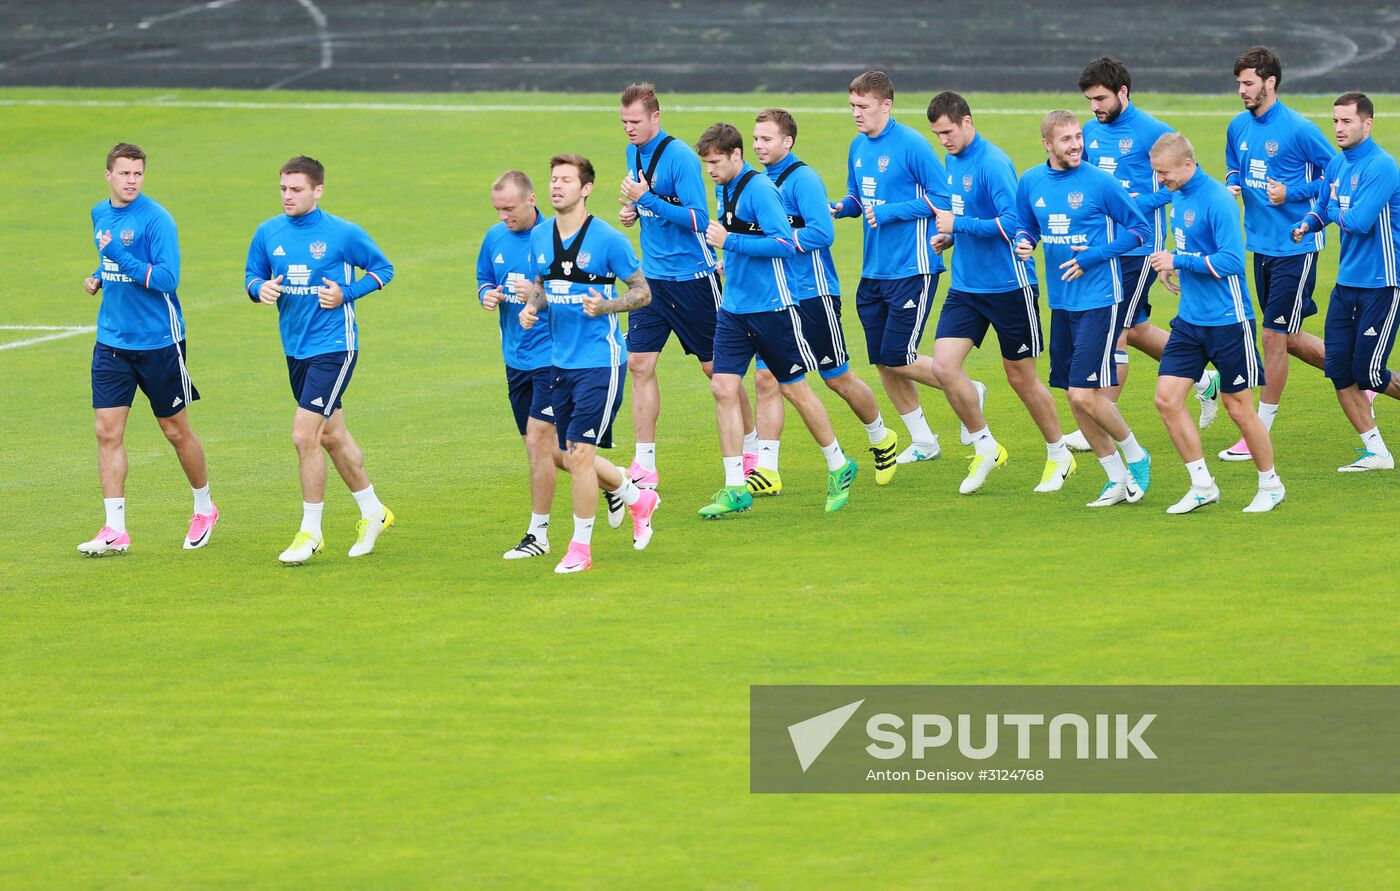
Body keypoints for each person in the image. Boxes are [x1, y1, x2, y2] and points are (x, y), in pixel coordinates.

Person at [695, 123, 859, 517]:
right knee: (723, 388)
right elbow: (735, 233)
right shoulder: (725, 187)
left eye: (715, 163)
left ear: (736, 156)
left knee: (796, 391)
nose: (710, 171)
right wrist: (727, 257)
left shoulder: (761, 190)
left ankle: (839, 464)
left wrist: (729, 243)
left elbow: (785, 243)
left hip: (774, 310)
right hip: (734, 310)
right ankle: (736, 486)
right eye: (706, 164)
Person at [244, 155, 397, 564]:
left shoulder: (342, 233)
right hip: (295, 349)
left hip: (334, 347)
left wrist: (346, 294)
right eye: (282, 189)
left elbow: (383, 269)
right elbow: (251, 276)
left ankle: (310, 533)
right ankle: (373, 512)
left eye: (296, 189)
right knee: (331, 436)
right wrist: (260, 289)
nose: (287, 196)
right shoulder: (268, 232)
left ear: (318, 191)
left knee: (304, 435)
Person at [744, 107, 900, 498]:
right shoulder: (760, 182)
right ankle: (767, 468)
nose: (758, 145)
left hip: (814, 294)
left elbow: (822, 233)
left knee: (837, 379)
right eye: (756, 138)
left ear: (787, 141)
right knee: (766, 379)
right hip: (777, 298)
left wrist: (780, 242)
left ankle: (881, 437)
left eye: (766, 139)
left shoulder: (803, 179)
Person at [925, 91, 1075, 495]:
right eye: (938, 134)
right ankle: (985, 445)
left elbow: (1014, 224)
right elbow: (969, 219)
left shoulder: (992, 163)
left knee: (1021, 379)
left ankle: (1059, 453)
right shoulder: (952, 160)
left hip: (1011, 287)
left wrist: (959, 225)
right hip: (966, 287)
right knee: (943, 368)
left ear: (967, 122)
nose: (945, 140)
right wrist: (949, 238)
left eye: (949, 132)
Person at [519, 153, 660, 573]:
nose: (557, 186)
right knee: (567, 452)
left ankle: (579, 550)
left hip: (601, 363)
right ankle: (636, 496)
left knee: (578, 455)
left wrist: (608, 307)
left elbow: (642, 293)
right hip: (558, 362)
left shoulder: (608, 240)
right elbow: (544, 285)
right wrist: (532, 307)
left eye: (566, 180)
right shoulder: (540, 236)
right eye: (554, 179)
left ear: (586, 189)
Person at [831, 70, 982, 466]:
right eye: (852, 107)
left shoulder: (913, 144)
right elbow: (856, 196)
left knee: (899, 354)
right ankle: (923, 439)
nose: (856, 114)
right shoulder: (857, 146)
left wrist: (890, 211)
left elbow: (942, 198)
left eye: (862, 107)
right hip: (874, 268)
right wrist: (840, 208)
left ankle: (967, 389)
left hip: (913, 266)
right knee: (883, 358)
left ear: (886, 105)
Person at [79, 142, 217, 556]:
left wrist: (118, 257)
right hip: (112, 341)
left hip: (159, 341)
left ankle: (205, 507)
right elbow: (111, 261)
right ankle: (115, 529)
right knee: (107, 432)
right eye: (124, 173)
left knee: (175, 430)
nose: (132, 180)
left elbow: (167, 278)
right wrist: (99, 276)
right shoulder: (99, 213)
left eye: (138, 174)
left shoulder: (157, 219)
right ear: (108, 175)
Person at [617, 83, 756, 489]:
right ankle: (645, 463)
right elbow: (652, 206)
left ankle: (751, 451)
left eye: (636, 121)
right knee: (639, 364)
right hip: (652, 280)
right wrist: (635, 210)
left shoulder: (678, 157)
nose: (629, 128)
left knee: (718, 371)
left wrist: (649, 200)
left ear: (655, 118)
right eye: (624, 122)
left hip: (693, 280)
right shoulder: (633, 152)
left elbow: (699, 218)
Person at [1014, 110, 1154, 508]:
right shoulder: (1031, 182)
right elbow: (1028, 225)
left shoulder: (1099, 182)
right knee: (1074, 396)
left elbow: (1140, 230)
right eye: (1066, 139)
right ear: (1047, 145)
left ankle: (1136, 455)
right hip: (1062, 303)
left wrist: (1095, 255)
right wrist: (1026, 242)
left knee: (1082, 394)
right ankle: (1114, 478)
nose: (1076, 145)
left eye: (1078, 137)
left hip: (1100, 299)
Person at [1146, 133, 1285, 513]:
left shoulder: (1218, 201)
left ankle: (1270, 484)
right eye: (1157, 173)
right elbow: (1192, 246)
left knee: (1238, 407)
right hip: (1190, 320)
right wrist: (1172, 258)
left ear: (1188, 165)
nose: (1160, 180)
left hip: (1228, 322)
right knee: (1167, 399)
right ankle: (1202, 484)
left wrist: (1181, 262)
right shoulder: (1180, 195)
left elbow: (1231, 262)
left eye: (1165, 173)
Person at [1218, 46, 1334, 461]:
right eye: (1239, 84)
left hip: (1296, 245)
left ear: (1270, 82)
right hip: (1260, 245)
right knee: (1288, 337)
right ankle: (1359, 376)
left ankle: (1257, 432)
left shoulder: (1300, 129)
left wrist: (1294, 193)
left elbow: (1336, 176)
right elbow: (1234, 162)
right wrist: (1233, 183)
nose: (1241, 90)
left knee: (1271, 335)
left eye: (1247, 83)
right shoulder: (1238, 126)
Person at [1291, 92, 1400, 471]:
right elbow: (1324, 208)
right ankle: (1377, 452)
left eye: (1346, 121)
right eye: (1335, 121)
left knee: (1369, 371)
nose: (1338, 128)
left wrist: (1335, 208)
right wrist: (1307, 224)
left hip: (1382, 283)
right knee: (1338, 369)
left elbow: (1358, 221)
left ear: (1367, 124)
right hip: (1347, 284)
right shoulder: (1337, 164)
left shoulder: (1381, 166)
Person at [477, 170, 562, 559]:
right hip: (516, 358)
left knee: (538, 446)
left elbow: (582, 297)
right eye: (497, 209)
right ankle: (625, 489)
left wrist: (539, 294)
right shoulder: (495, 237)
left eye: (508, 208)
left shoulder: (557, 237)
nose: (502, 216)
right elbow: (483, 276)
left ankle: (538, 535)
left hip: (554, 356)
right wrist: (487, 295)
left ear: (531, 200)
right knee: (555, 452)